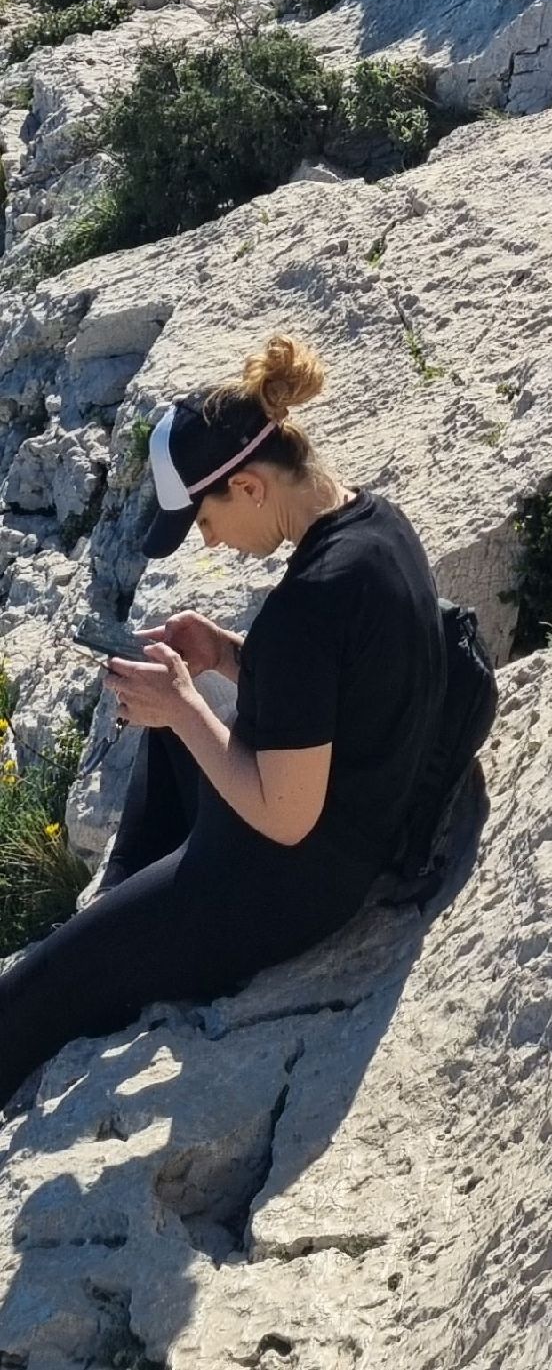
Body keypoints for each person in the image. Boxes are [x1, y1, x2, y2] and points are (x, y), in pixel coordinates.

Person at [0, 334, 446, 1107]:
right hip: (353, 808)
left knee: (36, 986)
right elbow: (334, 687)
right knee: (174, 734)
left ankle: (116, 946)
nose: (209, 541)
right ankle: (123, 918)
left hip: (295, 884)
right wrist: (224, 654)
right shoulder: (375, 524)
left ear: (248, 486)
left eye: (205, 519)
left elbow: (285, 814)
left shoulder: (310, 606)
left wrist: (183, 705)